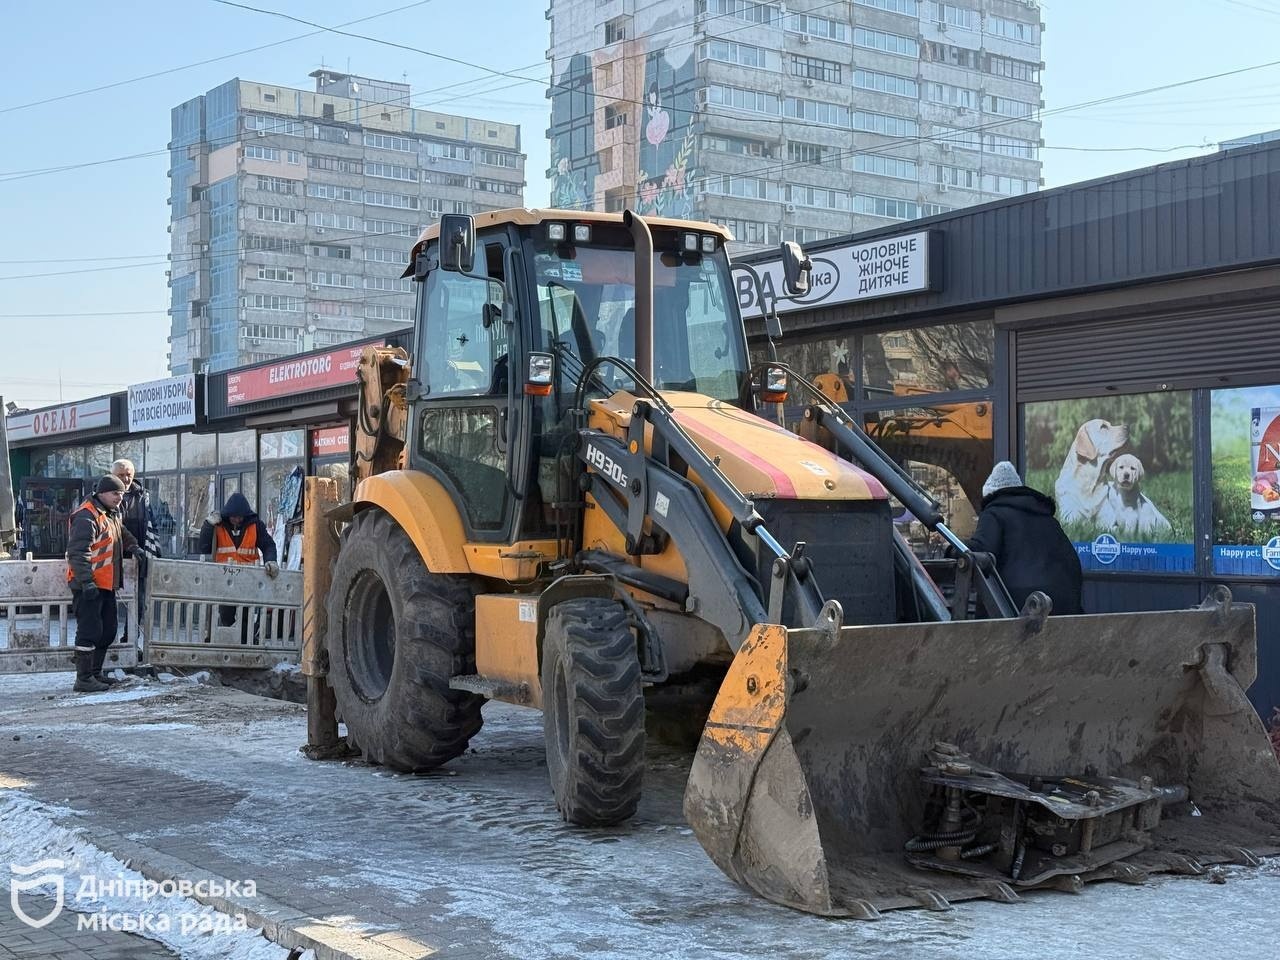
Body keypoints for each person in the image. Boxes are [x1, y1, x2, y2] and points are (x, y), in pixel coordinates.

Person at [966, 461, 1084, 616]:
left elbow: (980, 549)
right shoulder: (1047, 518)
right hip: (1064, 603)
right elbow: (1070, 561)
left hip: (1020, 606)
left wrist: (952, 549)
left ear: (990, 494)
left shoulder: (993, 513)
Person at [66, 475, 146, 692]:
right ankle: (83, 679)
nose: (119, 498)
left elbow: (122, 533)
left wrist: (134, 547)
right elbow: (78, 552)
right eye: (115, 493)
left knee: (107, 630)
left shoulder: (109, 514)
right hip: (89, 585)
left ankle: (94, 673)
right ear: (102, 493)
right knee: (89, 631)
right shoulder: (87, 515)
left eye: (121, 494)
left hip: (106, 583)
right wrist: (87, 582)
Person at [197, 492, 279, 633]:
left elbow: (268, 545)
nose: (237, 520)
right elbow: (204, 547)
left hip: (248, 581)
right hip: (224, 581)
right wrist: (208, 525)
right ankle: (229, 641)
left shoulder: (255, 525)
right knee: (226, 616)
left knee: (246, 618)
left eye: (240, 517)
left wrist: (271, 560)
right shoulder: (218, 525)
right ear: (228, 514)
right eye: (234, 517)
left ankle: (245, 644)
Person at [111, 458, 160, 642]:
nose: (125, 479)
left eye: (128, 475)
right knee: (110, 603)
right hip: (111, 558)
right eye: (121, 475)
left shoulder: (142, 497)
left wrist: (150, 551)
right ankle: (111, 643)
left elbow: (151, 525)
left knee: (137, 603)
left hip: (137, 557)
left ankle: (130, 640)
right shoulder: (104, 496)